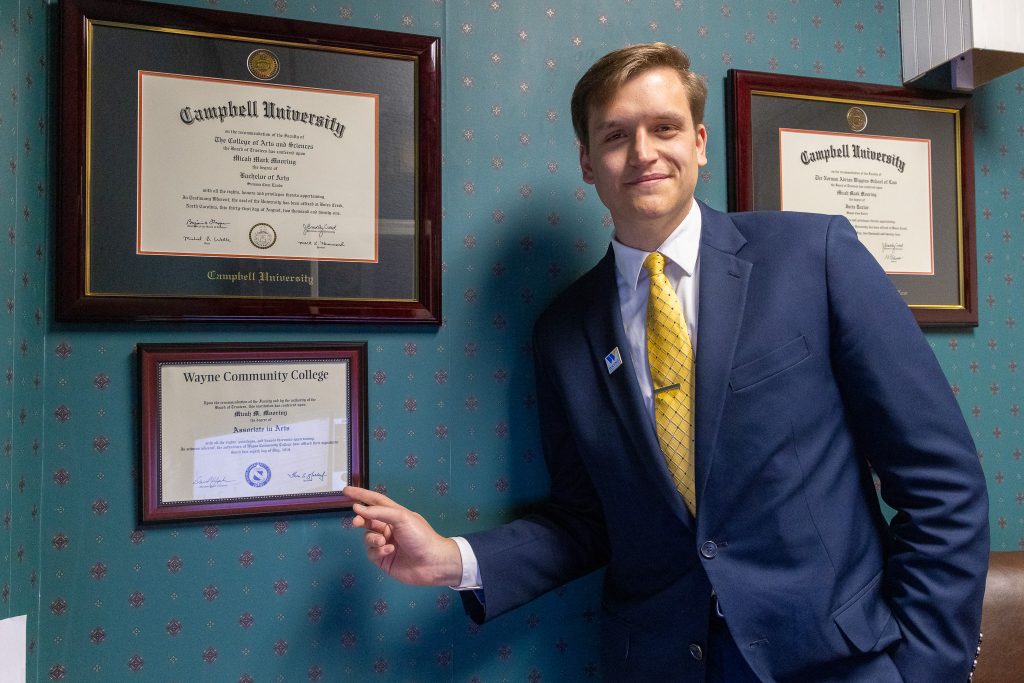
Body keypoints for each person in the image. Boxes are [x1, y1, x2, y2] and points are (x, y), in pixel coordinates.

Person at [345, 43, 988, 682]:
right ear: (588, 163)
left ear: (701, 142)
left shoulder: (812, 257)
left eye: (665, 128)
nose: (644, 152)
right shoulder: (563, 332)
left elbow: (942, 485)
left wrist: (926, 670)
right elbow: (589, 520)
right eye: (616, 135)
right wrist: (451, 560)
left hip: (835, 662)